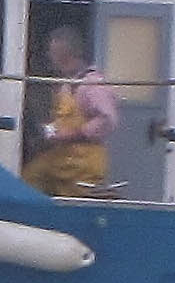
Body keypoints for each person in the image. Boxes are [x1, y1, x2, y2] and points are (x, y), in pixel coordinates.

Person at [22, 26, 117, 196]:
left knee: (79, 203)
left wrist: (75, 134)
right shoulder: (67, 84)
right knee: (30, 177)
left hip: (84, 164)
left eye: (52, 53)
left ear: (63, 54)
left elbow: (107, 120)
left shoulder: (93, 84)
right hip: (61, 160)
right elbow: (63, 119)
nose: (50, 58)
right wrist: (48, 131)